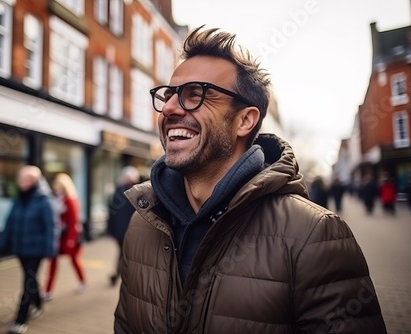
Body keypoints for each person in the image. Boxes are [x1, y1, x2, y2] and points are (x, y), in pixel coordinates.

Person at [114, 26, 386, 333]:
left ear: (245, 120)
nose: (171, 109)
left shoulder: (313, 235)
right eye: (169, 94)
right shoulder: (144, 222)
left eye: (196, 94)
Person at [0, 165, 57, 334]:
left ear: (35, 181)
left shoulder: (44, 199)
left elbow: (51, 226)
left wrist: (49, 249)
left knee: (28, 281)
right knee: (30, 278)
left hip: (36, 249)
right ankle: (38, 304)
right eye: (21, 179)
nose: (23, 183)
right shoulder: (19, 198)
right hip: (20, 248)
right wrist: (4, 242)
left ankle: (20, 319)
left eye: (27, 180)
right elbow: (9, 222)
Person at [41, 173, 86, 300]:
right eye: (56, 184)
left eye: (59, 185)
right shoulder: (55, 199)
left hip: (67, 237)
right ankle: (47, 291)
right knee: (52, 263)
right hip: (57, 236)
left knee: (74, 260)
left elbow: (73, 222)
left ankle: (82, 281)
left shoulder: (70, 200)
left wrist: (71, 239)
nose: (56, 187)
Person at [106, 166, 140, 286]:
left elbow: (111, 212)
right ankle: (119, 274)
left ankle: (118, 275)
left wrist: (110, 230)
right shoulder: (135, 192)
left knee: (123, 252)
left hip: (120, 230)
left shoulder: (118, 191)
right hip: (129, 230)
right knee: (125, 253)